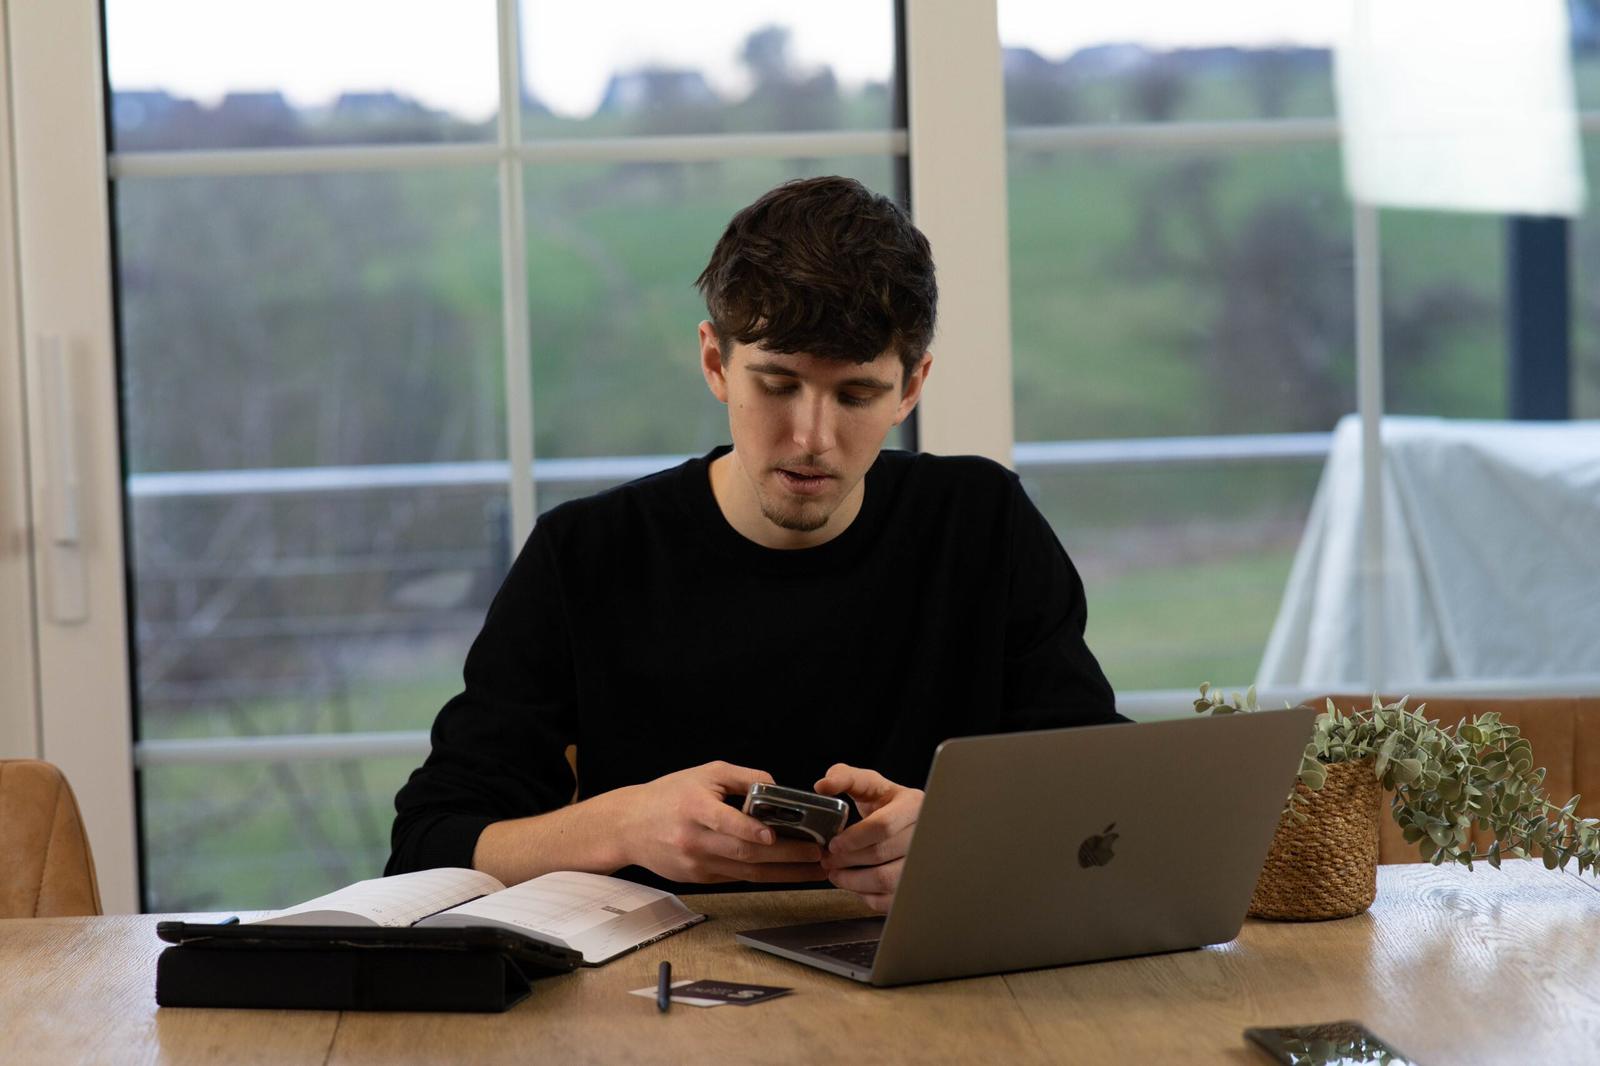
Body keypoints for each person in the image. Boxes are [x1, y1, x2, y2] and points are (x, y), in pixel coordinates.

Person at [387, 175, 1124, 913]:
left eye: (856, 396)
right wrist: (621, 825)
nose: (811, 439)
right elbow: (429, 840)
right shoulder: (583, 554)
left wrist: (967, 832)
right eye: (776, 384)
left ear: (911, 387)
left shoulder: (983, 522)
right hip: (654, 1000)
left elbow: (1107, 799)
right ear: (715, 363)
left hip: (934, 989)